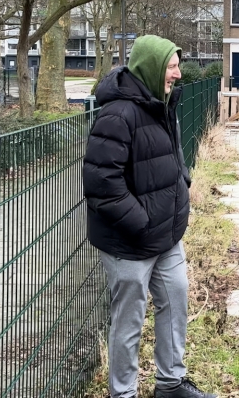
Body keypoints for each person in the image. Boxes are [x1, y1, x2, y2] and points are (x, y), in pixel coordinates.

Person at [83, 35, 216, 398]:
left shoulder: (161, 104)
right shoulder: (118, 114)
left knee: (175, 302)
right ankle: (122, 393)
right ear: (153, 67)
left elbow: (170, 156)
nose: (177, 74)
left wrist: (182, 183)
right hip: (129, 241)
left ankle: (171, 383)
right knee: (129, 321)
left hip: (167, 236)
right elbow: (100, 183)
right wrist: (140, 223)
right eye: (172, 66)